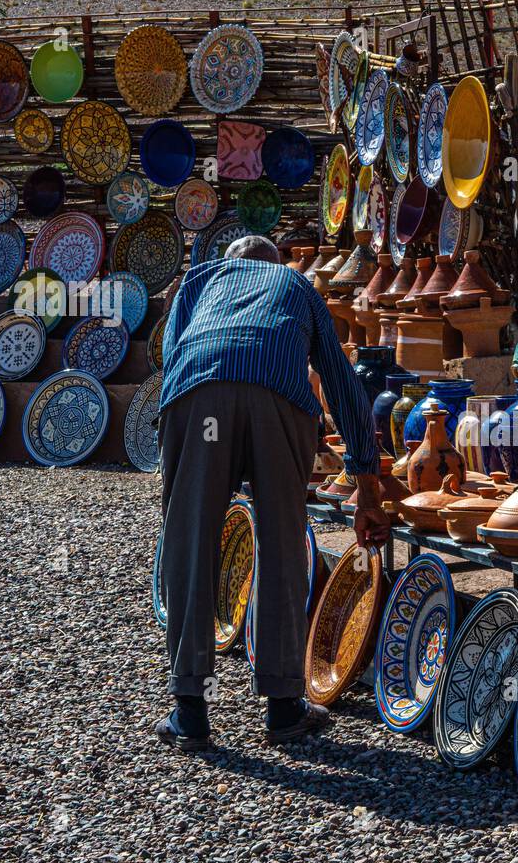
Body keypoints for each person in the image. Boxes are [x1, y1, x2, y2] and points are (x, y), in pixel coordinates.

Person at [155, 234, 391, 751]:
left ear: (230, 264)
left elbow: (172, 360)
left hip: (200, 396)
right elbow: (340, 378)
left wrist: (180, 466)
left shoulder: (199, 280)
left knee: (190, 544)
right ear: (274, 263)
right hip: (276, 400)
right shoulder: (295, 284)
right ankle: (283, 706)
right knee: (281, 544)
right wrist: (366, 482)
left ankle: (189, 708)